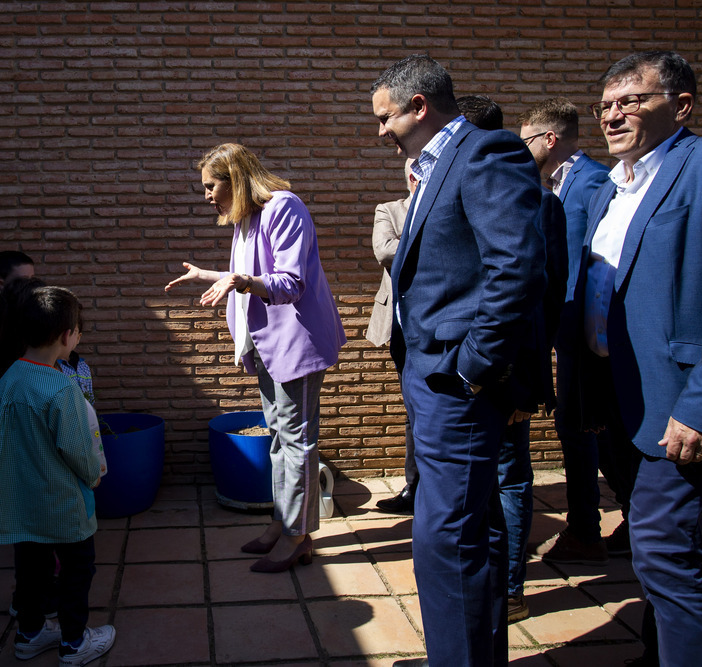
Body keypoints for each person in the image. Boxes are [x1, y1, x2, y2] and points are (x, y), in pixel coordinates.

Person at [567, 50, 702, 666]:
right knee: (651, 550)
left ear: (682, 106)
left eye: (632, 101)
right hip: (620, 399)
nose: (613, 116)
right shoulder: (608, 187)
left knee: (664, 552)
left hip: (676, 402)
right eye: (606, 105)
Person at [371, 56, 546, 667]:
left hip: (457, 380)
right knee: (476, 530)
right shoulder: (433, 165)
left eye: (385, 117)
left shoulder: (486, 153)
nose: (381, 131)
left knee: (444, 537)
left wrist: (472, 367)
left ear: (420, 106)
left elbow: (516, 269)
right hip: (431, 372)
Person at [165, 143, 346, 573]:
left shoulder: (284, 207)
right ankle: (282, 524)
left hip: (295, 344)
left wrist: (241, 281)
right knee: (280, 440)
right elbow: (246, 277)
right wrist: (213, 276)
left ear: (235, 179)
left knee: (297, 442)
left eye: (211, 186)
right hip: (266, 345)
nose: (206, 195)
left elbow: (290, 283)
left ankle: (297, 537)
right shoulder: (245, 219)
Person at [456, 94, 568, 624]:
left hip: (509, 372)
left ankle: (513, 588)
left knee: (510, 477)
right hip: (476, 370)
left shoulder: (536, 200)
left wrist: (527, 382)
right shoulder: (461, 188)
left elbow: (540, 297)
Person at [518, 98, 636, 566]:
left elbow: (584, 268)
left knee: (586, 428)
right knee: (584, 429)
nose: (521, 149)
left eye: (526, 140)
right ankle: (610, 522)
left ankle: (591, 527)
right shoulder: (565, 184)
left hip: (583, 335)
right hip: (571, 332)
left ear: (549, 139)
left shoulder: (592, 184)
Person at [0, 283, 115, 666]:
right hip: (61, 502)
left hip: (23, 501)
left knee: (32, 570)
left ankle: (30, 633)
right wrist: (93, 476)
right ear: (65, 335)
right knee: (76, 571)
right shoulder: (61, 388)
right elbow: (77, 450)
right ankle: (74, 643)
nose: (79, 336)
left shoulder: (9, 378)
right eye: (78, 329)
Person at [367, 159, 419, 513]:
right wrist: (434, 236)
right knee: (414, 409)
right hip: (401, 326)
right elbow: (384, 250)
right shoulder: (389, 209)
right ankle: (414, 489)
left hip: (442, 324)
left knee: (434, 410)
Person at [0, 251, 36, 450]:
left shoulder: (28, 309)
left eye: (33, 279)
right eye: (24, 280)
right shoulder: (6, 320)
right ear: (1, 284)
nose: (31, 286)